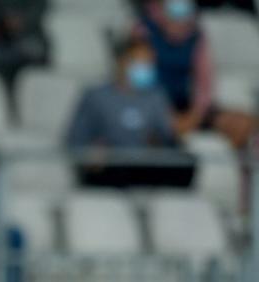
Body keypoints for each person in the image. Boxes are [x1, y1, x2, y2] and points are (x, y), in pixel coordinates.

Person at [66, 37, 196, 188]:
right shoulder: (96, 96)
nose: (147, 68)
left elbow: (169, 138)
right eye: (141, 62)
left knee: (186, 163)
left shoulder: (157, 97)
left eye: (150, 64)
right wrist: (90, 154)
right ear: (122, 62)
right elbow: (75, 139)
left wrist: (163, 141)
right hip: (111, 164)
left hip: (145, 165)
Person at [133, 0, 257, 147]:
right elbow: (138, 81)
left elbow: (204, 83)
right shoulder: (144, 31)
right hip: (152, 106)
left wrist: (194, 116)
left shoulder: (196, 35)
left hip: (189, 108)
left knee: (241, 123)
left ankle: (239, 166)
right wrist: (165, 116)